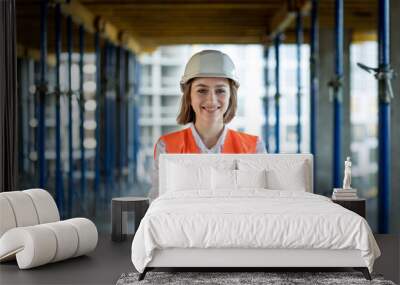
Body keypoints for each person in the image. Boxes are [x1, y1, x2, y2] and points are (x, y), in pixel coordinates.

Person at [149, 50, 267, 201]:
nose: (211, 100)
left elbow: (260, 203)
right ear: (188, 96)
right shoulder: (167, 147)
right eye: (202, 90)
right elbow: (157, 203)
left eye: (220, 91)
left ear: (231, 96)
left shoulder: (254, 147)